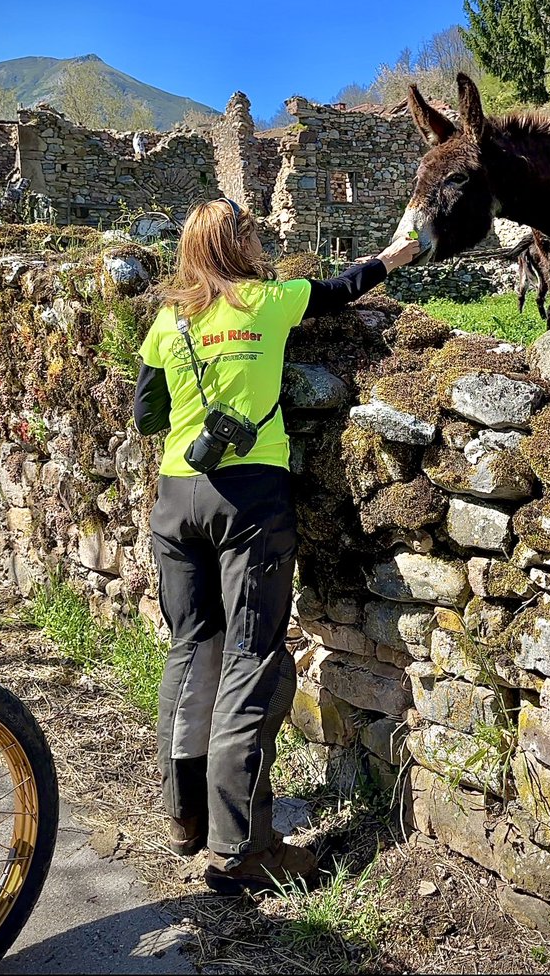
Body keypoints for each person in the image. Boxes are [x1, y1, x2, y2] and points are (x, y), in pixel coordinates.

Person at [134, 197, 420, 894]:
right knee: (248, 656)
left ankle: (186, 816)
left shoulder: (166, 322)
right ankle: (242, 849)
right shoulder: (269, 302)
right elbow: (347, 287)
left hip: (176, 499)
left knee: (191, 649)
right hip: (250, 501)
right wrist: (405, 244)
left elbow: (147, 414)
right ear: (242, 243)